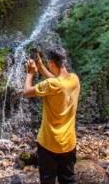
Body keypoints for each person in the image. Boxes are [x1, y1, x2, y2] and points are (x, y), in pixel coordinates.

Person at [23, 46, 81, 184]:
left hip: (49, 144)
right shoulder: (74, 79)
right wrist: (41, 67)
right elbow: (56, 82)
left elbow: (26, 91)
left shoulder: (51, 85)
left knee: (47, 181)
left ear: (51, 63)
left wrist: (30, 73)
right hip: (68, 144)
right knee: (69, 180)